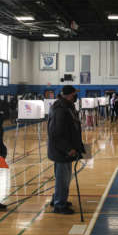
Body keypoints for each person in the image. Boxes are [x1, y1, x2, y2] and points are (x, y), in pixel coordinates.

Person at [48, 85, 85, 215]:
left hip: (66, 149)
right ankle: (59, 204)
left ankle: (58, 198)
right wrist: (68, 149)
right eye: (75, 94)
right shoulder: (60, 109)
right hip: (62, 151)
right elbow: (56, 133)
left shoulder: (67, 106)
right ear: (69, 95)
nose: (76, 96)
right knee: (63, 178)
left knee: (64, 178)